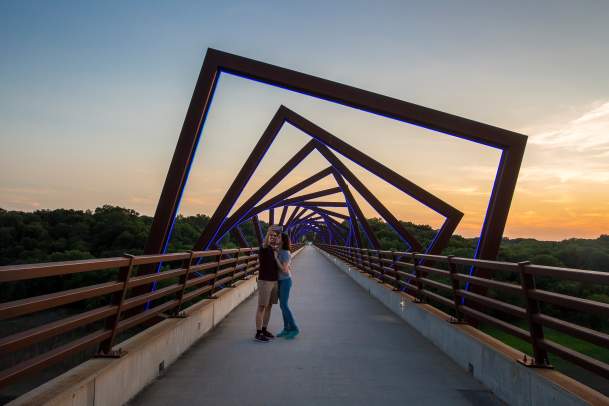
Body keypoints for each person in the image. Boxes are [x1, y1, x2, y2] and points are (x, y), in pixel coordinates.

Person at [254, 226, 281, 343]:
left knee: (269, 306)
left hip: (274, 281)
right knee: (261, 306)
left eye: (275, 236)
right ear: (267, 236)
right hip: (265, 281)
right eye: (271, 235)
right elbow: (266, 242)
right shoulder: (264, 247)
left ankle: (264, 329)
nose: (273, 238)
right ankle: (258, 333)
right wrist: (270, 230)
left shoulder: (274, 249)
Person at [275, 232, 299, 339]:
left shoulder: (284, 252)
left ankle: (294, 328)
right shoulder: (280, 251)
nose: (276, 238)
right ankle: (286, 329)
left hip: (285, 280)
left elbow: (285, 270)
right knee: (282, 305)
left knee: (284, 305)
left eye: (279, 237)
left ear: (283, 240)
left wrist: (276, 259)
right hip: (280, 281)